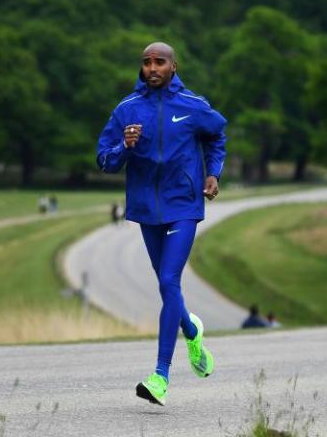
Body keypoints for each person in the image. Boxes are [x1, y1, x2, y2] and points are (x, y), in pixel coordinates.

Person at [96, 41, 227, 407]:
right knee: (165, 285)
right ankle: (192, 330)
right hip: (146, 210)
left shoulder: (193, 107)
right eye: (147, 62)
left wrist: (213, 173)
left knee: (170, 280)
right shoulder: (126, 110)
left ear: (173, 66)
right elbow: (104, 160)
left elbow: (217, 134)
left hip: (184, 204)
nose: (152, 68)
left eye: (160, 62)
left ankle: (161, 376)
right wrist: (125, 146)